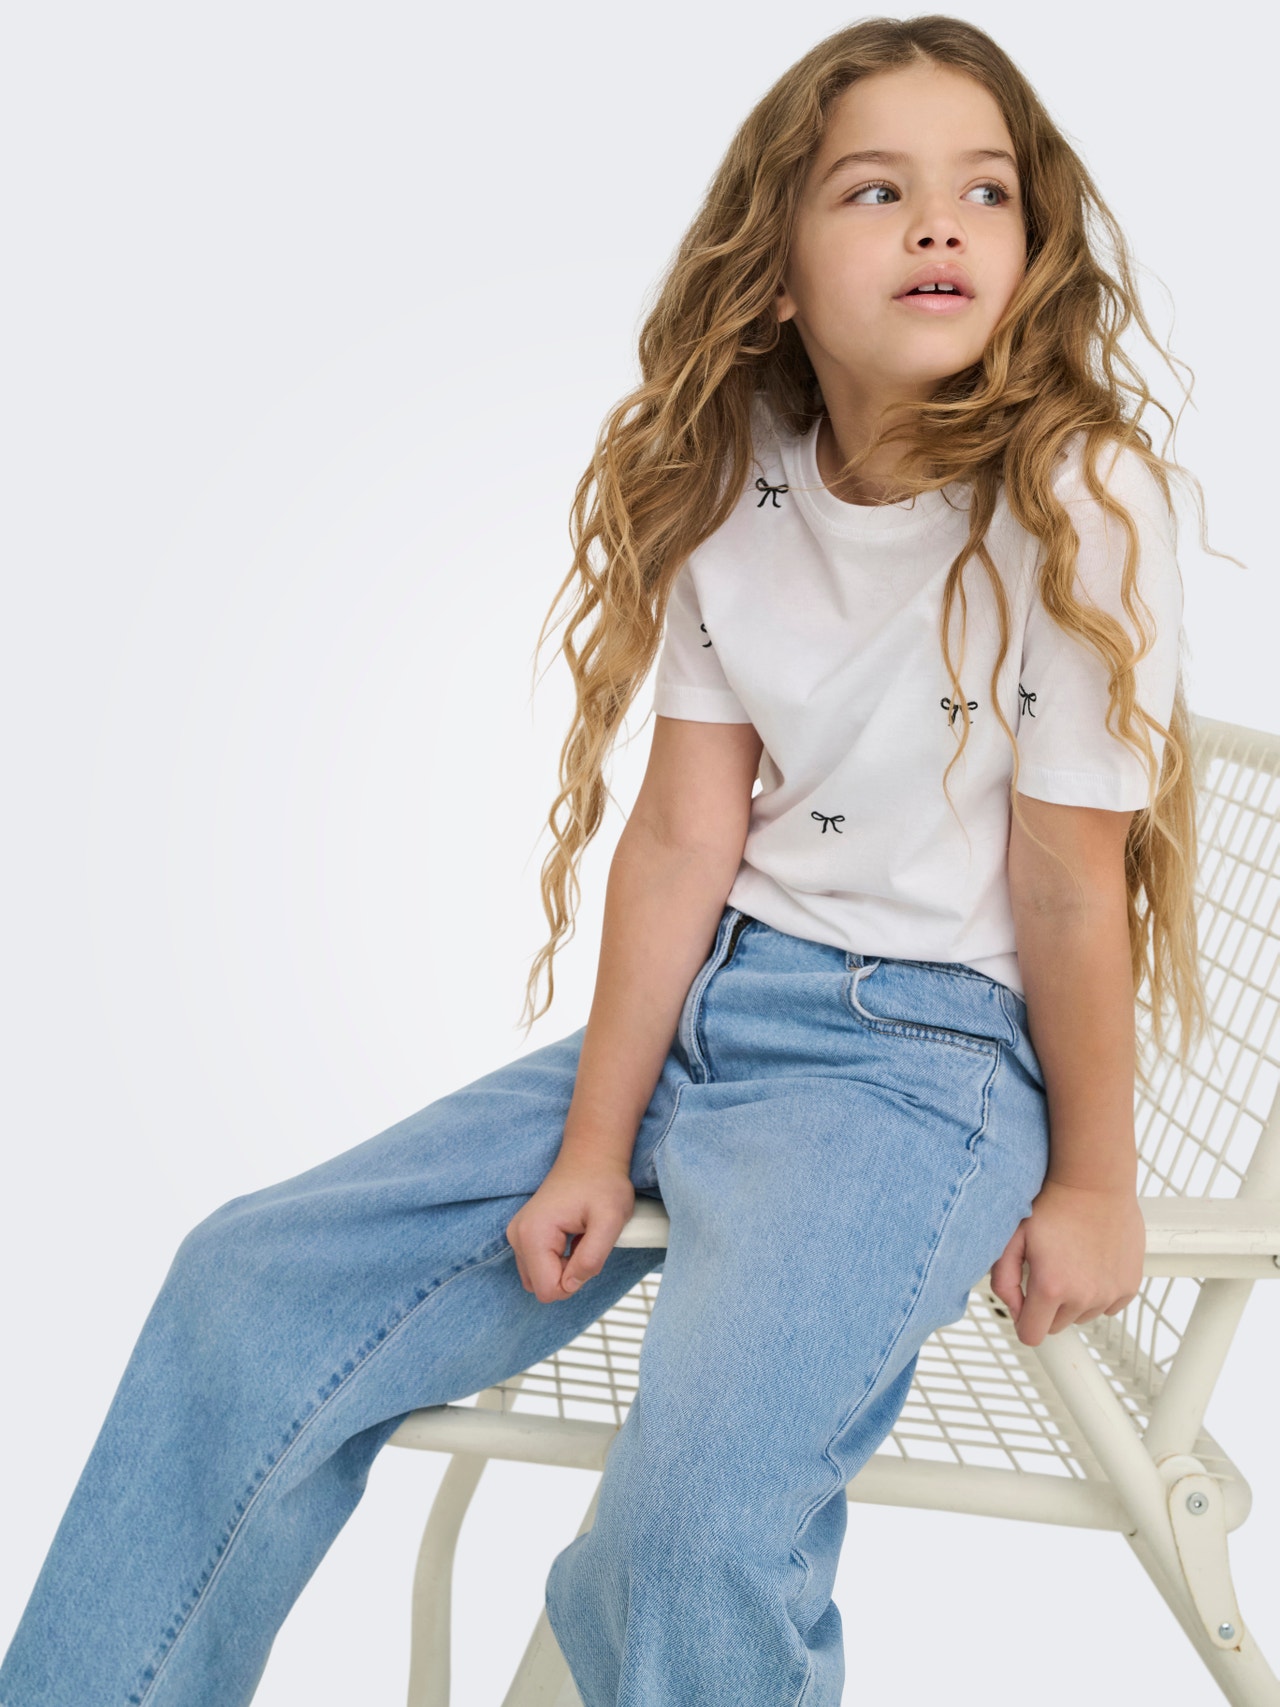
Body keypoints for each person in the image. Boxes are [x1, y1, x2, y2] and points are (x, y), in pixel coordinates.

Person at [0, 14, 1216, 1707]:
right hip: (714, 1015)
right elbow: (682, 834)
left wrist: (1095, 1183)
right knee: (246, 1286)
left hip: (921, 1071)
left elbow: (1075, 882)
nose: (942, 223)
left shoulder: (1078, 496)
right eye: (877, 190)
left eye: (985, 192)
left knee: (689, 1529)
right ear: (774, 271)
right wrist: (593, 1141)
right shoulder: (741, 481)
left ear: (1032, 246)